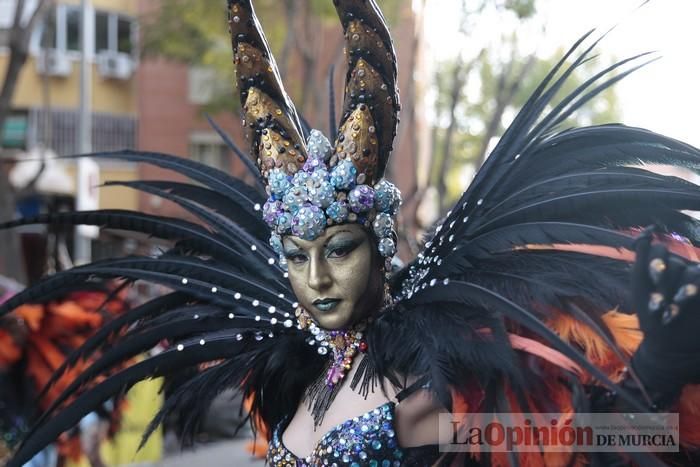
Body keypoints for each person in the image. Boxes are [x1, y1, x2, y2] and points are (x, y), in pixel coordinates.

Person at [3, 0, 700, 465]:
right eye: (297, 256)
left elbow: (564, 434)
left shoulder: (424, 389)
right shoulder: (300, 374)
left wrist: (658, 372)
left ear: (380, 244)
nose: (317, 277)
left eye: (338, 250)